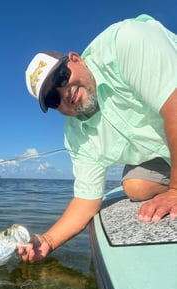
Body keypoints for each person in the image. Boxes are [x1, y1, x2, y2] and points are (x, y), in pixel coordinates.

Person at [19, 14, 177, 262]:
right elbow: (86, 200)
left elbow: (174, 106)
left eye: (61, 78)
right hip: (166, 153)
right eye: (53, 99)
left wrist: (175, 190)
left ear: (76, 59)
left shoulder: (126, 41)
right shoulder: (75, 135)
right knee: (135, 187)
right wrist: (47, 241)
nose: (65, 94)